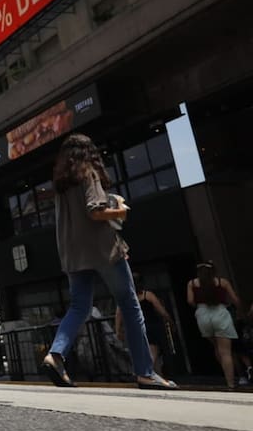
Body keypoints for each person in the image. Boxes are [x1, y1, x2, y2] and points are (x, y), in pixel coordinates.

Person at [41, 134, 175, 389]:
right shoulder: (88, 174)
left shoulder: (61, 185)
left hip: (73, 254)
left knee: (79, 307)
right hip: (103, 251)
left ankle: (55, 355)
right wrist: (120, 211)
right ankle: (145, 372)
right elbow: (94, 211)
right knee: (130, 305)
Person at [186, 260, 243, 390]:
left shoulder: (192, 283)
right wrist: (239, 311)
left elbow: (190, 300)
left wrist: (199, 307)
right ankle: (231, 383)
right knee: (226, 352)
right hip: (220, 313)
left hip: (202, 314)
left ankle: (225, 372)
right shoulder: (222, 282)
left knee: (216, 347)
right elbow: (235, 299)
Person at [114, 272, 173, 381]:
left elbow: (118, 314)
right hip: (151, 326)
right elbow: (161, 311)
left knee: (141, 352)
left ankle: (155, 376)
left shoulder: (124, 297)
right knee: (153, 352)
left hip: (134, 328)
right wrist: (170, 320)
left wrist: (118, 330)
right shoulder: (147, 295)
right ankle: (145, 373)